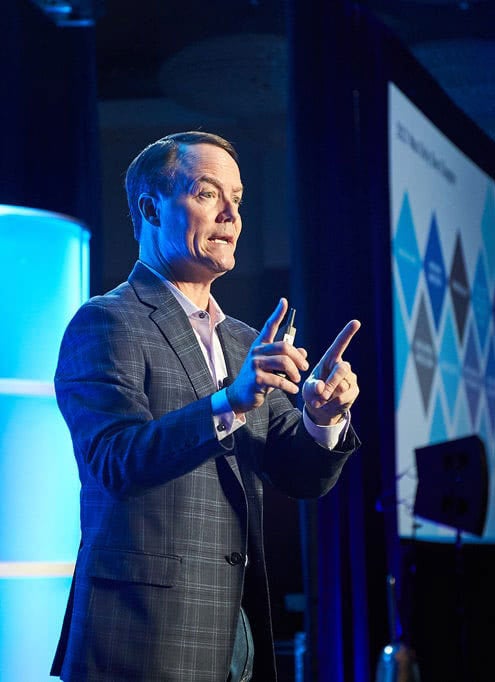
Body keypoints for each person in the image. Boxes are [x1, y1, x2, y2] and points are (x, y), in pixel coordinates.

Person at [51, 131, 361, 682]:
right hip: (142, 638)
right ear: (151, 209)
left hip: (235, 639)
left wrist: (321, 418)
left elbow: (300, 475)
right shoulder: (106, 321)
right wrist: (229, 403)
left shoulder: (242, 340)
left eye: (237, 199)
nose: (230, 216)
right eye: (207, 194)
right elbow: (115, 461)